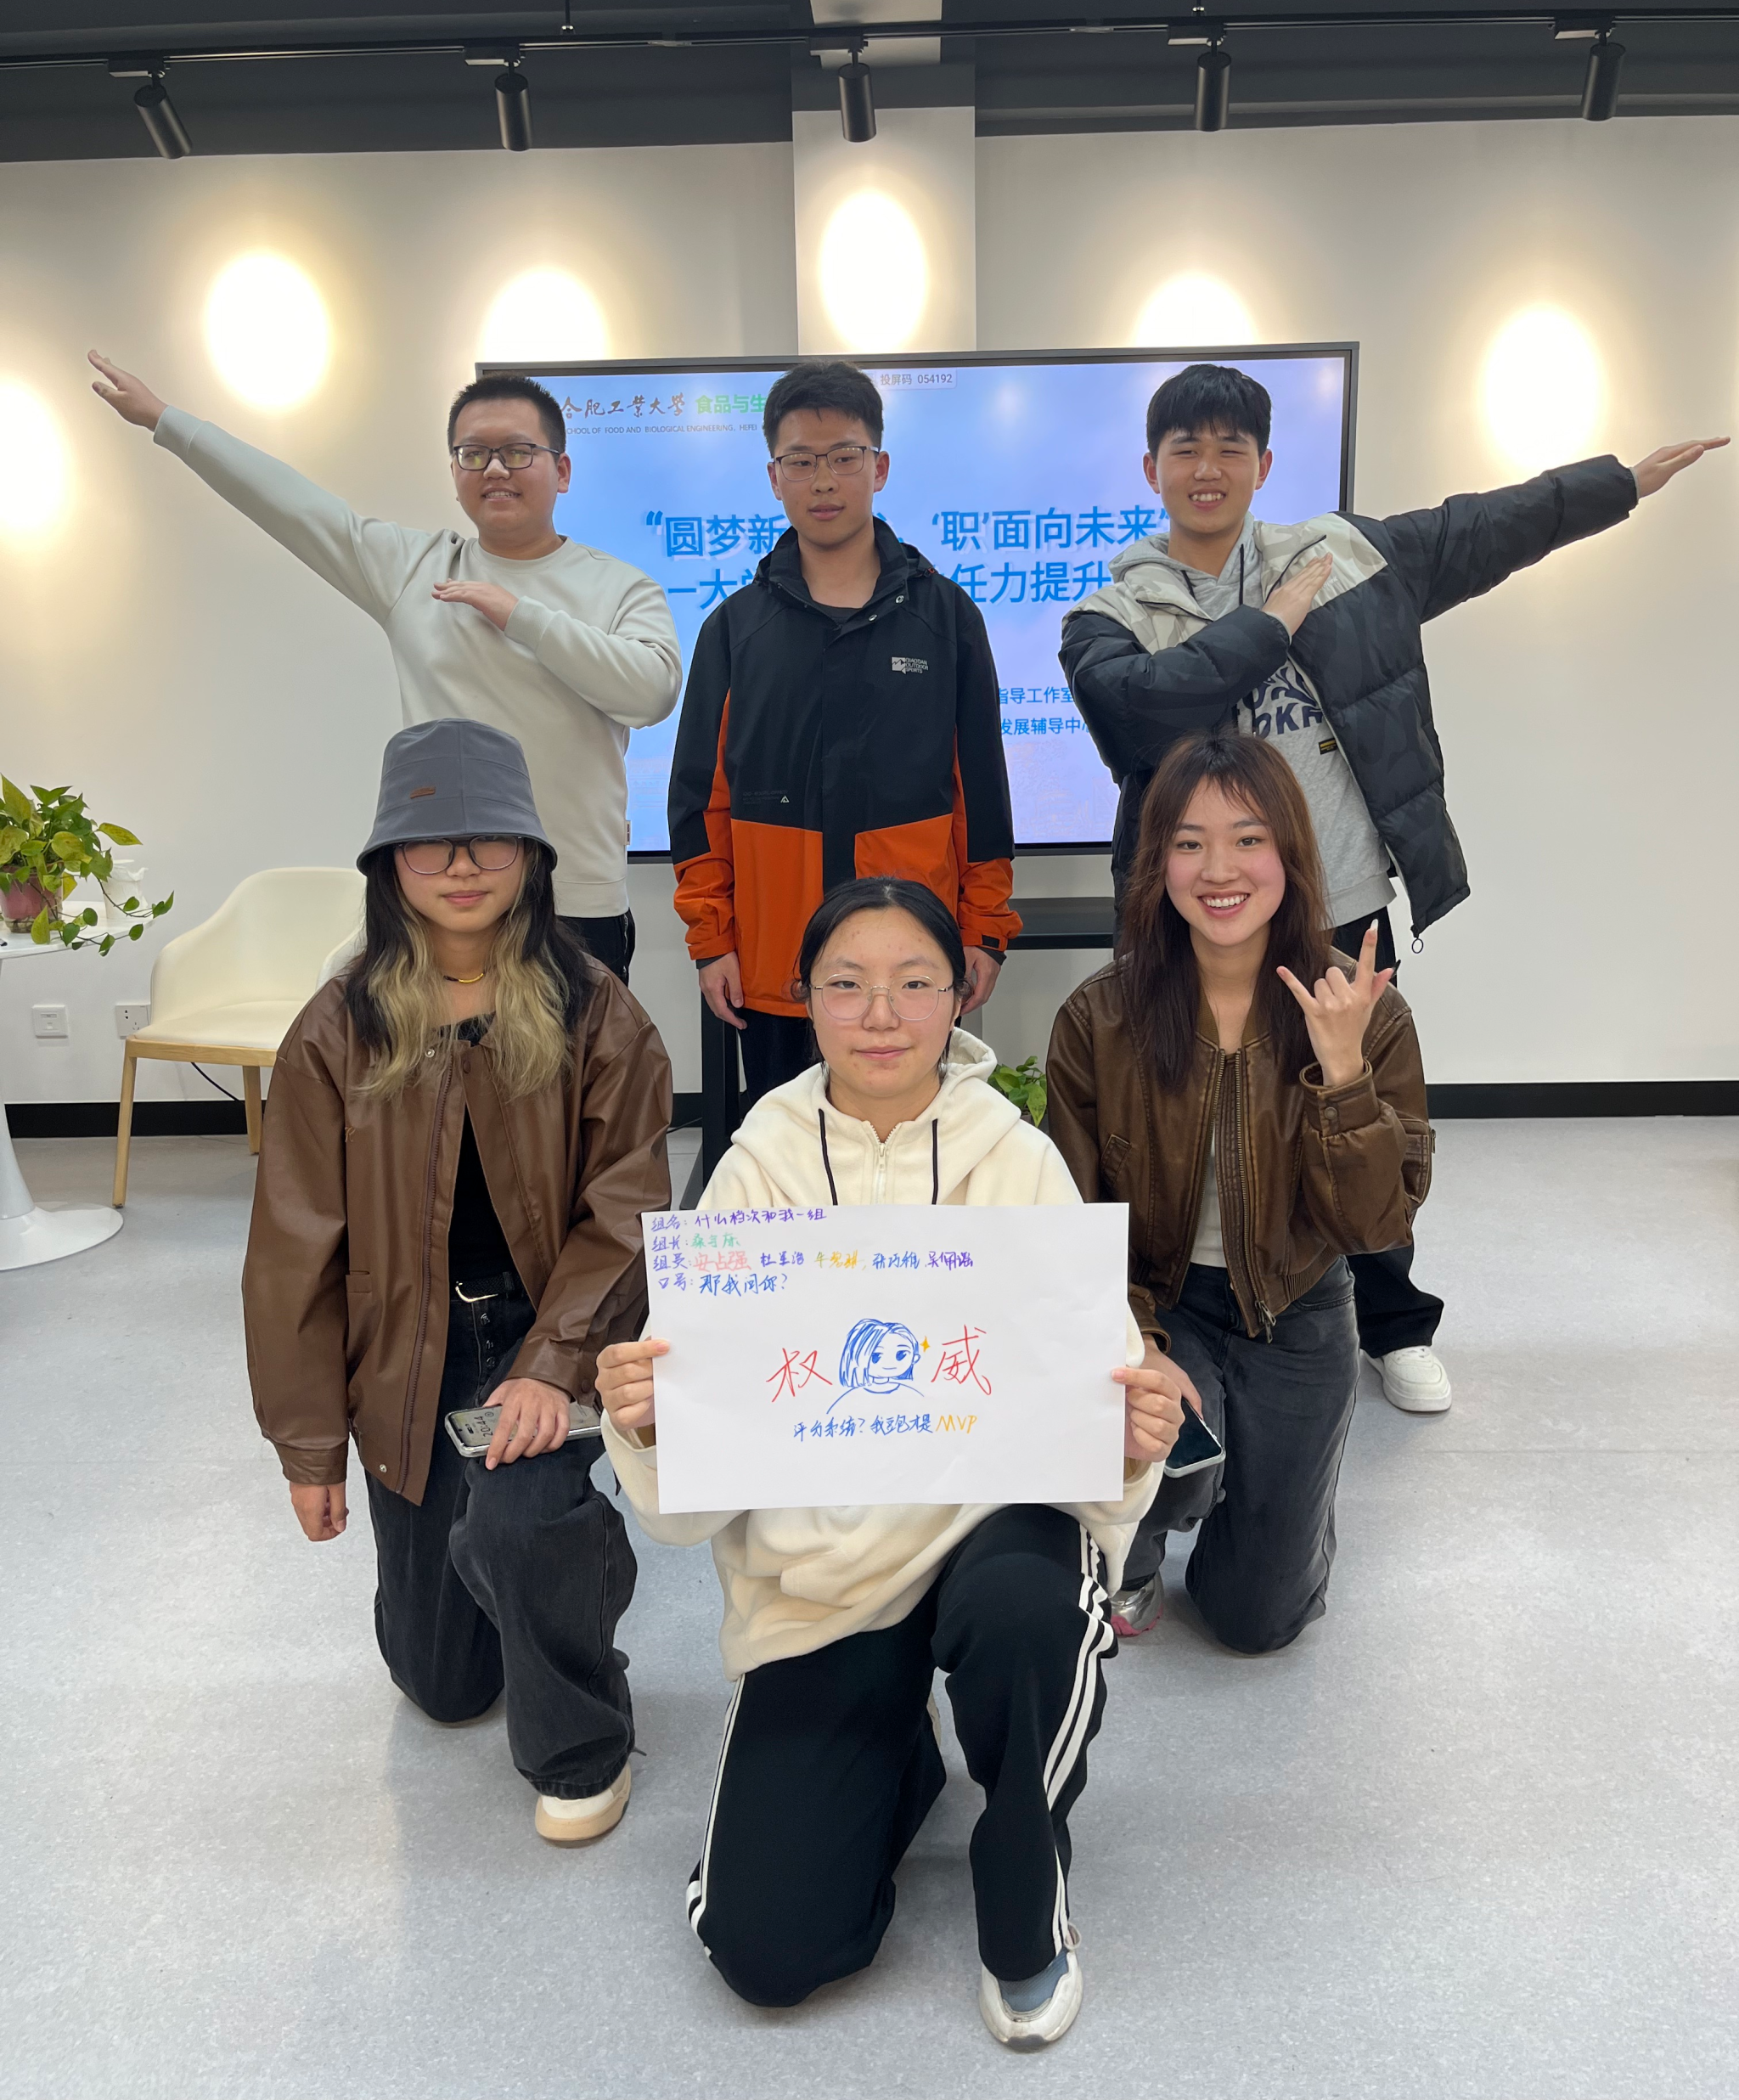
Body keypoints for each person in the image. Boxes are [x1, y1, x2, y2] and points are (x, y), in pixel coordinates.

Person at [1060, 361, 1725, 1414]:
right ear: (1151, 469)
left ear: (1263, 464)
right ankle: (1167, 1312)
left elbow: (1480, 528)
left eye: (1230, 446)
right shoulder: (1113, 612)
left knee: (1353, 1107)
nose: (1208, 466)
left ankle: (1393, 1323)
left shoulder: (1344, 559)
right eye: (1185, 448)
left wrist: (1618, 485)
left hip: (1336, 908)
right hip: (1194, 919)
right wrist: (1270, 624)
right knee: (1184, 1121)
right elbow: (1142, 710)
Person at [594, 876, 1185, 2050]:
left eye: (914, 982)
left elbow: (1097, 1402)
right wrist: (650, 1419)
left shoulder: (1015, 1158)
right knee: (767, 1951)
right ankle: (897, 1757)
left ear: (959, 994)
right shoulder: (754, 1169)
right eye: (846, 984)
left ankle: (1026, 1900)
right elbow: (689, 1482)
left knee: (1029, 1609)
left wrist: (1131, 1432)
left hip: (989, 1533)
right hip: (825, 1580)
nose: (880, 1014)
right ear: (802, 999)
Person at [242, 718, 673, 1843]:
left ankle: (583, 1739)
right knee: (441, 1683)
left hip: (546, 1331)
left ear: (530, 854)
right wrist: (307, 1448)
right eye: (432, 842)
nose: (464, 865)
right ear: (389, 862)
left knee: (524, 1526)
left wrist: (552, 1367)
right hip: (407, 1349)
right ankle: (528, 1571)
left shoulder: (597, 1011)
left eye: (491, 839)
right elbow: (292, 1251)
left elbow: (628, 1212)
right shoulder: (336, 1029)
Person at [88, 352, 681, 983]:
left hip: (575, 899)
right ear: (454, 472)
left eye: (517, 452)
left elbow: (650, 693)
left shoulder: (621, 587)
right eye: (473, 454)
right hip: (446, 897)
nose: (495, 469)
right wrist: (166, 420)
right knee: (432, 1053)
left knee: (579, 1053)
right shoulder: (415, 569)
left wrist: (519, 615)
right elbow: (294, 505)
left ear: (561, 470)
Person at [1045, 732, 1432, 1647]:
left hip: (1300, 1307)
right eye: (1189, 843)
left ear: (1290, 854)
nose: (1218, 870)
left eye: (1247, 839)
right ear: (1158, 863)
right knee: (1162, 1456)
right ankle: (1135, 1542)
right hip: (1158, 1300)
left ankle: (1259, 1519)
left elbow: (1376, 1224)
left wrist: (1343, 1078)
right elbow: (1068, 1221)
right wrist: (1137, 1341)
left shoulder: (1362, 1010)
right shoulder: (1099, 1015)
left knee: (1259, 1619)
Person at [667, 358, 1020, 1111]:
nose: (823, 480)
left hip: (911, 968)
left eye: (844, 457)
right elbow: (701, 804)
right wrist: (711, 940)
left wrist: (983, 931)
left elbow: (983, 797)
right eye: (801, 461)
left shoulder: (946, 619)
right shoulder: (734, 630)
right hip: (777, 966)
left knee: (916, 1157)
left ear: (879, 467)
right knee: (790, 1160)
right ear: (774, 477)